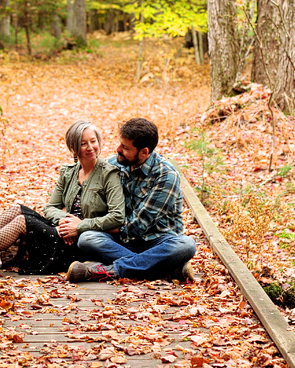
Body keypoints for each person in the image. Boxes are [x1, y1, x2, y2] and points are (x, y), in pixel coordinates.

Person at [0, 120, 124, 274]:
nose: (90, 147)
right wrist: (65, 223)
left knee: (22, 221)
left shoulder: (109, 174)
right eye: (83, 143)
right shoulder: (69, 172)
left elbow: (117, 217)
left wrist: (79, 226)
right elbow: (50, 208)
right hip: (63, 233)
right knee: (17, 209)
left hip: (81, 243)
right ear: (74, 148)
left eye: (93, 141)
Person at [66, 117, 197, 282]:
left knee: (186, 245)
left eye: (125, 147)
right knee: (87, 239)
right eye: (120, 143)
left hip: (157, 240)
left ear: (144, 152)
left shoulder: (166, 175)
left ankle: (111, 270)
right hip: (121, 241)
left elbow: (137, 227)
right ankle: (165, 268)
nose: (118, 149)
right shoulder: (114, 164)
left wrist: (84, 224)